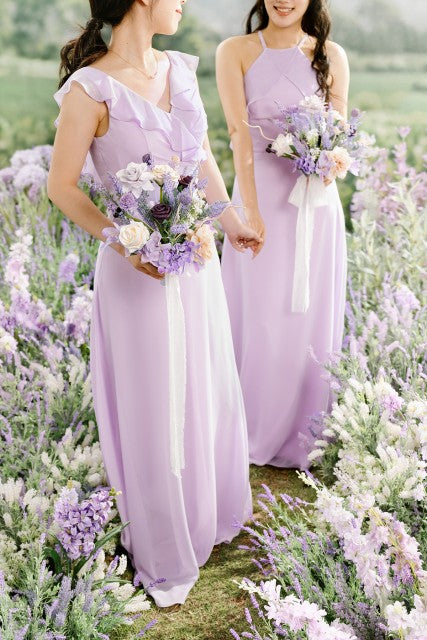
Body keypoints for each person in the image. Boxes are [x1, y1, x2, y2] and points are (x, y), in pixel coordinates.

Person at [47, 0, 261, 608]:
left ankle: (204, 516)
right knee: (153, 402)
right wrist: (125, 239)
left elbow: (200, 160)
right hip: (134, 274)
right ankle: (163, 542)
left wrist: (231, 221)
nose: (184, 3)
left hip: (195, 264)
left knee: (202, 386)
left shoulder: (180, 69)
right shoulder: (89, 88)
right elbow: (62, 186)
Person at [217, 0, 349, 468]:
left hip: (314, 205)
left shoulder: (331, 55)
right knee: (261, 314)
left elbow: (338, 137)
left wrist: (327, 164)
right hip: (260, 198)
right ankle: (247, 428)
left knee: (309, 316)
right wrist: (249, 209)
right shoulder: (234, 51)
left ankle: (305, 433)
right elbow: (238, 133)